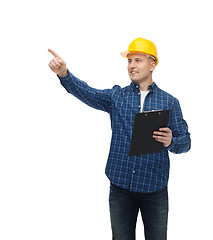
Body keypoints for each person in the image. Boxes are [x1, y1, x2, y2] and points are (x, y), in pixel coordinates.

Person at [48, 37, 191, 240]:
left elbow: (186, 142)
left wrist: (171, 142)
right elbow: (87, 93)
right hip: (120, 188)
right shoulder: (117, 97)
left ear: (152, 64)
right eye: (129, 61)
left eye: (137, 60)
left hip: (155, 190)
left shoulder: (169, 102)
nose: (131, 66)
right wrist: (64, 73)